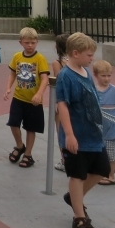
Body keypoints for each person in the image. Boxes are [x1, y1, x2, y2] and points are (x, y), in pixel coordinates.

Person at [56, 32, 109, 228]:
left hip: (93, 135)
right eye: (89, 55)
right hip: (76, 136)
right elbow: (63, 106)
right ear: (75, 53)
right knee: (77, 174)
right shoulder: (66, 76)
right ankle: (79, 217)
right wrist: (69, 134)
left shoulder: (85, 71)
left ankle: (74, 197)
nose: (92, 58)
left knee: (101, 168)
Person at [3, 27, 49, 168]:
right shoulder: (17, 57)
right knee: (13, 123)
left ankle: (28, 154)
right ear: (21, 42)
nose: (30, 45)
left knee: (31, 127)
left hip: (33, 101)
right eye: (27, 42)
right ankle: (19, 145)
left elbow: (45, 78)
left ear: (37, 42)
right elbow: (12, 73)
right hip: (18, 97)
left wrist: (39, 93)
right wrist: (8, 87)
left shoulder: (39, 58)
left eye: (33, 43)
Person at [51, 33, 70, 172]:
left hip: (62, 99)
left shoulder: (57, 63)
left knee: (61, 131)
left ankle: (65, 160)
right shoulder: (76, 61)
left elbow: (58, 82)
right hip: (75, 100)